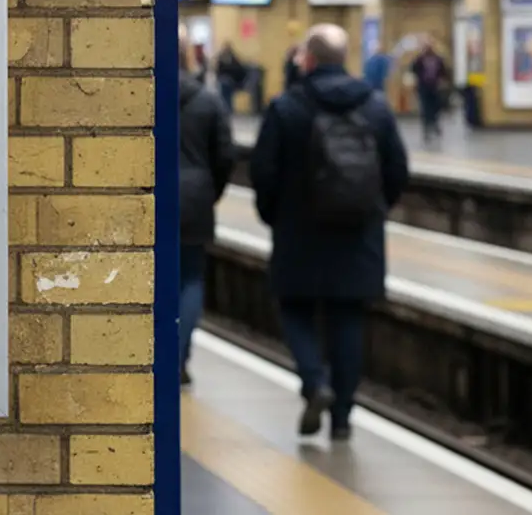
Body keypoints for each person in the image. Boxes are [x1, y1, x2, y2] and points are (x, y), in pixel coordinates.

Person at [251, 24, 408, 441]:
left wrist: (274, 215)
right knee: (348, 320)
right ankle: (341, 418)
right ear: (345, 58)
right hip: (358, 233)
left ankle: (313, 381)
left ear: (308, 59)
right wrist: (374, 210)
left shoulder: (286, 107)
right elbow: (397, 170)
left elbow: (263, 171)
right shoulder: (375, 106)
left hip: (298, 231)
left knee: (294, 309)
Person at [178, 25, 235, 387]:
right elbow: (226, 156)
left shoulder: (137, 95)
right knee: (190, 279)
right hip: (194, 200)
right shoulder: (208, 100)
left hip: (147, 196)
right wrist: (208, 192)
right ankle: (179, 358)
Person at [410, 37, 449, 144]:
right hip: (423, 87)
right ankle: (426, 129)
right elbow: (413, 69)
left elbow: (443, 71)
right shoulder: (420, 59)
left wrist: (443, 81)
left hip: (435, 86)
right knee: (425, 108)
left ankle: (435, 124)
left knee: (436, 107)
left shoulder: (438, 59)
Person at [215, 44, 247, 110]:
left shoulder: (230, 59)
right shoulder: (227, 59)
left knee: (225, 93)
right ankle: (227, 108)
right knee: (226, 94)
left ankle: (226, 108)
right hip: (227, 80)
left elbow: (219, 70)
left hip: (229, 80)